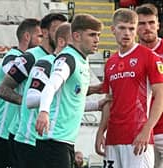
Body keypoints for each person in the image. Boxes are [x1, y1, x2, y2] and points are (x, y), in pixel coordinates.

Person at [26, 13, 103, 168]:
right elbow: (52, 85)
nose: (97, 40)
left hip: (65, 140)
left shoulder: (81, 61)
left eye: (98, 35)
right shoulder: (68, 58)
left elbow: (70, 100)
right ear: (77, 36)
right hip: (54, 141)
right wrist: (44, 112)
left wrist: (97, 104)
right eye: (92, 35)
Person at [0, 13, 67, 168]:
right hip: (25, 137)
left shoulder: (61, 61)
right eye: (58, 30)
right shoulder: (30, 58)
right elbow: (2, 89)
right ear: (46, 32)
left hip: (46, 138)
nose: (63, 34)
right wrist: (26, 101)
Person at [95, 8, 163, 168]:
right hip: (113, 138)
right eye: (122, 28)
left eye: (131, 28)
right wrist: (100, 132)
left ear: (136, 30)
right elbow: (108, 101)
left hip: (137, 136)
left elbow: (160, 95)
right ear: (113, 29)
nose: (127, 33)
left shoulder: (149, 57)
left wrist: (146, 131)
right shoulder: (110, 62)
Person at [0, 18, 42, 168]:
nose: (43, 41)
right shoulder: (12, 58)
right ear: (27, 37)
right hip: (0, 132)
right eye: (40, 36)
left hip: (13, 133)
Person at [136, 3, 163, 168]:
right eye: (142, 23)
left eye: (151, 23)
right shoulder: (129, 54)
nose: (147, 27)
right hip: (142, 131)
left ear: (158, 25)